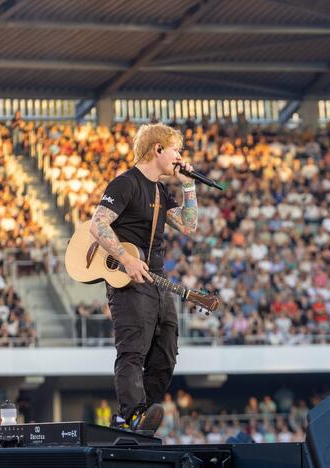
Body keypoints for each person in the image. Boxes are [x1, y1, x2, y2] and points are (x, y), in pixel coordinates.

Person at [89, 123, 198, 432]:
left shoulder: (161, 190)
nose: (179, 156)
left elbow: (188, 226)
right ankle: (133, 412)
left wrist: (188, 186)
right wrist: (125, 259)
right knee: (132, 349)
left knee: (166, 351)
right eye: (176, 149)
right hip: (128, 279)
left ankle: (135, 417)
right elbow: (97, 225)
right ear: (157, 150)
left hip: (157, 276)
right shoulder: (126, 183)